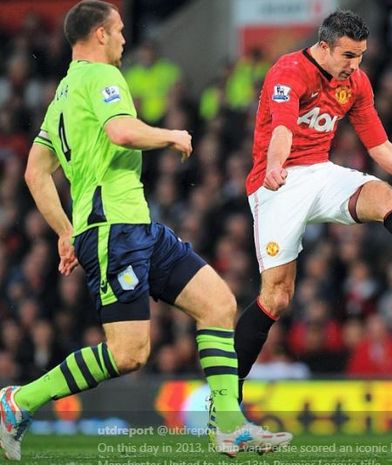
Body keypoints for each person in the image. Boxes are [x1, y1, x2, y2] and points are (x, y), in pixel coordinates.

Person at [0, 1, 290, 460]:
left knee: (218, 303)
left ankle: (230, 425)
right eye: (117, 31)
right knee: (129, 353)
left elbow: (36, 173)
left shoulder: (62, 95)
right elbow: (121, 131)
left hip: (135, 227)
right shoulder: (101, 78)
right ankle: (19, 401)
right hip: (114, 232)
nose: (123, 39)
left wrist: (65, 230)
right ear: (98, 34)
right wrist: (171, 135)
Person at [235, 10, 392, 399]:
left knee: (389, 197)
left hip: (319, 172)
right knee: (277, 298)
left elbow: (380, 147)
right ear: (324, 46)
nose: (355, 65)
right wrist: (273, 165)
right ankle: (224, 393)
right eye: (348, 56)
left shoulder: (356, 83)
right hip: (277, 184)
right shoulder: (288, 71)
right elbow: (282, 128)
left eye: (361, 55)